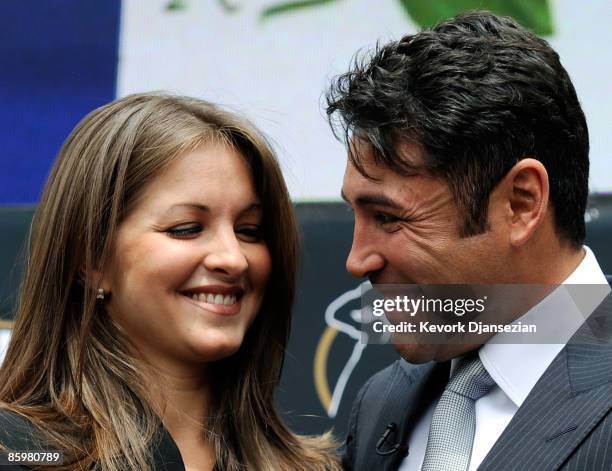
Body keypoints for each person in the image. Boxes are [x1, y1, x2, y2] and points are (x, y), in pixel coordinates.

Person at [326, 10, 612, 471]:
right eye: (355, 213)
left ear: (521, 203)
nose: (357, 260)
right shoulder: (382, 401)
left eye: (388, 217)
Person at [0, 93, 340, 471]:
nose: (232, 258)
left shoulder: (316, 467)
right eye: (186, 229)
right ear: (92, 257)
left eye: (250, 231)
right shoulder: (17, 453)